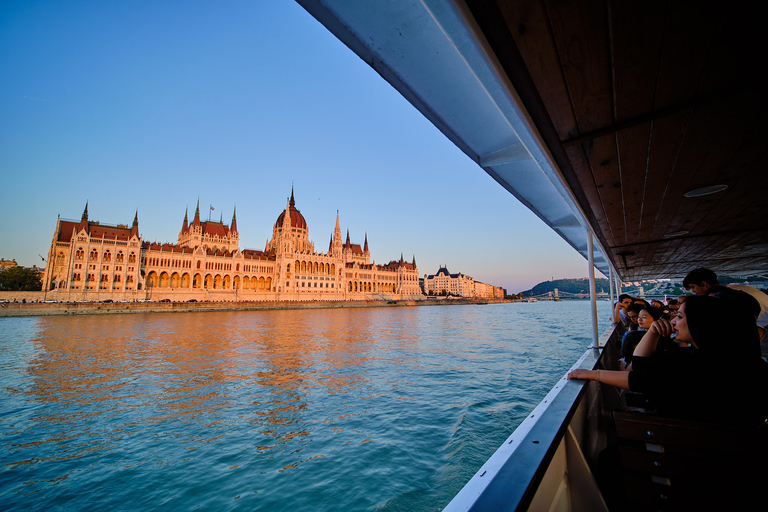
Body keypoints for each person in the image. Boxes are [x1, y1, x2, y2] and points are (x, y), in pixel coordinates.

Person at [568, 295, 767, 425]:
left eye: (679, 316)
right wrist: (653, 333)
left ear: (702, 324)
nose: (672, 320)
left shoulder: (712, 367)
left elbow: (641, 378)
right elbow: (641, 366)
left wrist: (595, 374)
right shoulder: (733, 360)